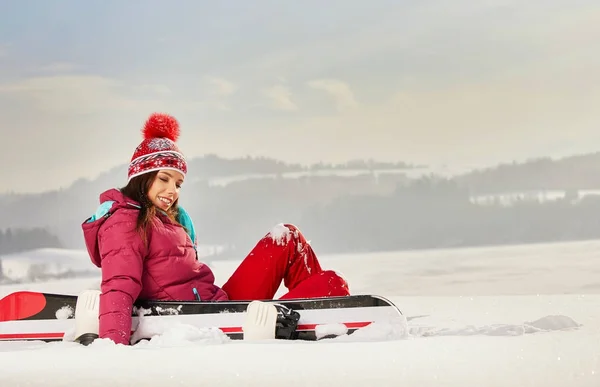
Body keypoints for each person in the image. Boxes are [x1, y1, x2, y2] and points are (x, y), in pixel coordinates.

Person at [81, 112, 350, 345]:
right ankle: (310, 316)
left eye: (178, 183)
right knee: (332, 284)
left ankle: (308, 320)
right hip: (209, 319)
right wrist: (112, 347)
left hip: (218, 304)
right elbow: (119, 285)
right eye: (164, 178)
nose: (172, 191)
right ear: (141, 178)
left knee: (287, 237)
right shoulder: (125, 221)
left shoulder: (166, 220)